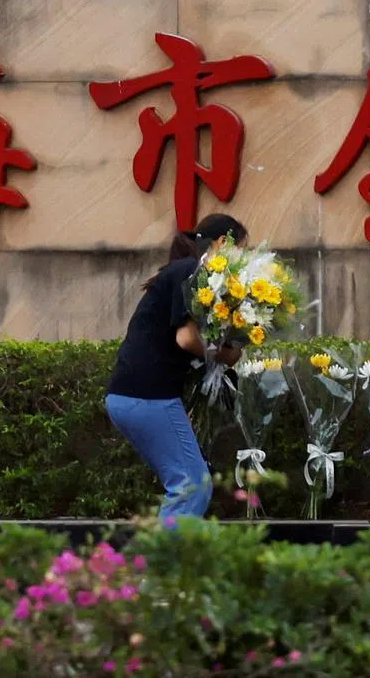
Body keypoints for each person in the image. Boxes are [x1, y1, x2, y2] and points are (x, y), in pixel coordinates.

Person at [104, 214, 247, 519]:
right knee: (191, 484)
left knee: (188, 481)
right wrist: (224, 354)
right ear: (222, 243)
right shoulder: (192, 270)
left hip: (134, 396)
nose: (243, 260)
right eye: (240, 250)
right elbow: (186, 338)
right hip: (147, 396)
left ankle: (164, 558)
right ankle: (164, 564)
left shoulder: (181, 271)